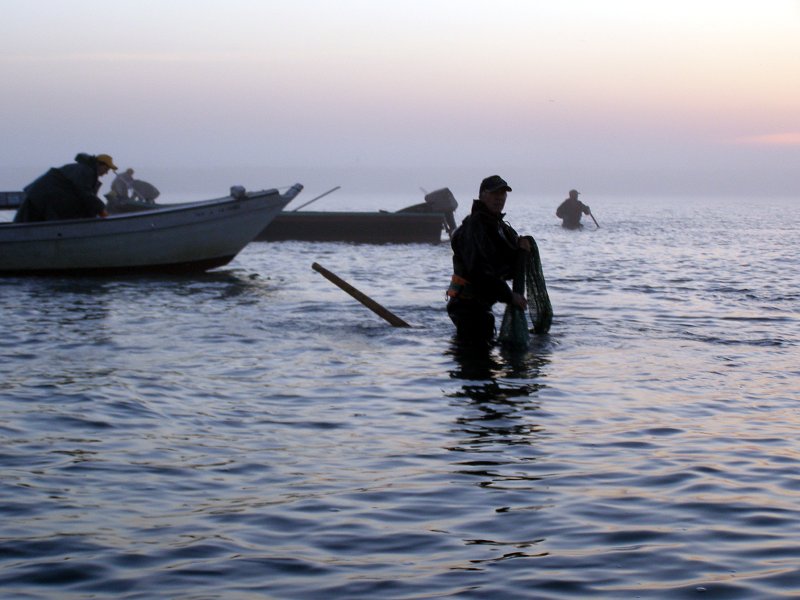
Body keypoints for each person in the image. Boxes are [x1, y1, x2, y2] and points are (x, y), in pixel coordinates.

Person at [446, 174, 532, 345]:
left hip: (482, 306)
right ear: (482, 195)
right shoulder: (474, 228)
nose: (499, 198)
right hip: (467, 307)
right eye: (494, 193)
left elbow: (503, 266)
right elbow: (479, 271)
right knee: (476, 362)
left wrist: (521, 250)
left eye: (503, 194)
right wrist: (509, 296)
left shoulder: (498, 226)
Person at [14, 153, 117, 223]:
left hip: (41, 197)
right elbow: (85, 194)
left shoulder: (82, 169)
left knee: (24, 225)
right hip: (42, 198)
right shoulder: (86, 171)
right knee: (22, 228)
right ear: (99, 164)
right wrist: (101, 210)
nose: (106, 173)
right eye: (106, 169)